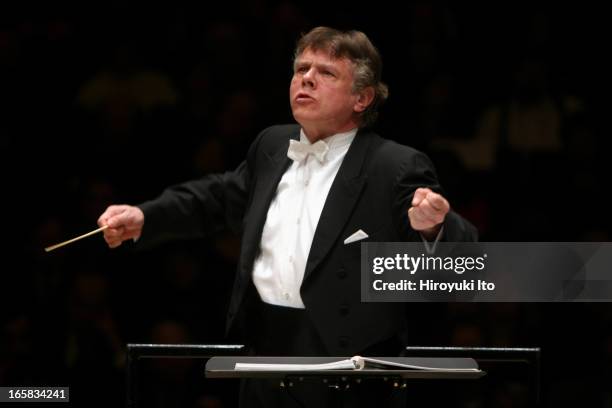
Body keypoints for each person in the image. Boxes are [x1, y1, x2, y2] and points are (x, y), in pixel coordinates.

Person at [98, 27, 477, 408]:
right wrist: (145, 216)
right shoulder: (272, 145)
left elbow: (461, 261)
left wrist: (433, 226)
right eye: (301, 68)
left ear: (361, 97)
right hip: (262, 356)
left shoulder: (393, 165)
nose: (306, 78)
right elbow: (216, 198)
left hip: (349, 369)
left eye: (326, 73)